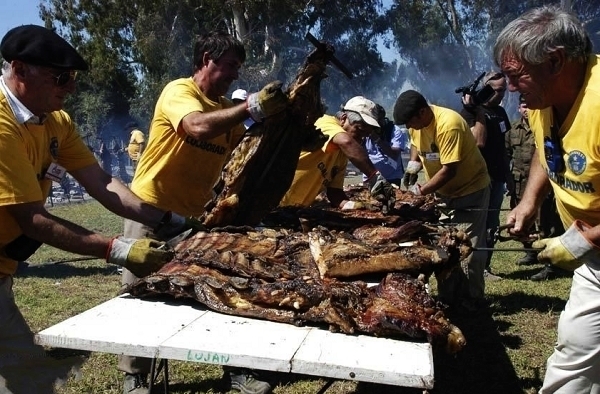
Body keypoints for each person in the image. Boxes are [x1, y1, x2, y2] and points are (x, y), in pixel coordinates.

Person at [0, 24, 195, 394]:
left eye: (72, 78)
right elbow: (33, 220)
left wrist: (169, 221)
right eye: (60, 78)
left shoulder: (56, 121)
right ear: (19, 69)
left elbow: (101, 182)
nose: (71, 87)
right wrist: (118, 249)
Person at [118, 30, 288, 394]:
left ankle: (235, 369)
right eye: (229, 66)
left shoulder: (222, 110)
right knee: (139, 294)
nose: (234, 75)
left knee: (219, 292)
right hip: (148, 210)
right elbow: (194, 126)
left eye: (237, 68)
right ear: (206, 59)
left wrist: (287, 131)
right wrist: (251, 107)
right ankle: (134, 376)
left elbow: (241, 155)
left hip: (194, 219)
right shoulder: (179, 91)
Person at [494, 6, 600, 392]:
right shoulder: (545, 100)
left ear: (555, 61)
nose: (508, 87)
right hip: (596, 257)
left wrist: (581, 240)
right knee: (575, 353)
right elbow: (546, 146)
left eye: (514, 75)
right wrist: (529, 202)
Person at [393, 90, 491, 312]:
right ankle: (448, 298)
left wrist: (421, 191)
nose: (410, 126)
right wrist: (414, 163)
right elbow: (416, 142)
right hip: (442, 194)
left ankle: (472, 300)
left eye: (411, 121)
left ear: (423, 111)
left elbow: (449, 170)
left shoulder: (449, 124)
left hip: (470, 189)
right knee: (443, 246)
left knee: (469, 248)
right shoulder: (415, 124)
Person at [279, 96, 394, 211]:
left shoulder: (342, 155)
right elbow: (346, 142)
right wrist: (374, 176)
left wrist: (358, 206)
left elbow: (335, 193)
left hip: (294, 211)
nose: (361, 138)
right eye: (359, 130)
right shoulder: (324, 122)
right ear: (343, 119)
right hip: (274, 204)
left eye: (366, 135)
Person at [505, 95, 569, 281]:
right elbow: (507, 153)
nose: (526, 109)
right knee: (524, 222)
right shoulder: (512, 129)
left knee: (546, 223)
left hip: (541, 182)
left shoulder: (542, 125)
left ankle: (551, 264)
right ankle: (530, 253)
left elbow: (546, 153)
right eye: (522, 106)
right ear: (518, 108)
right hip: (520, 181)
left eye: (528, 106)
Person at [460, 71, 512, 281]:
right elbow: (478, 143)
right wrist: (477, 109)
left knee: (492, 225)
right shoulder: (469, 113)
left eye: (503, 90)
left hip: (498, 178)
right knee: (476, 227)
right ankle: (473, 268)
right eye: (496, 90)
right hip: (478, 180)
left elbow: (504, 148)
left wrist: (509, 179)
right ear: (485, 88)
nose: (500, 95)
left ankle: (486, 267)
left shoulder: (501, 113)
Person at [361, 105, 407, 186]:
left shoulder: (394, 130)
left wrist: (377, 139)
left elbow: (394, 154)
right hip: (371, 176)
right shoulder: (365, 130)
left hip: (392, 177)